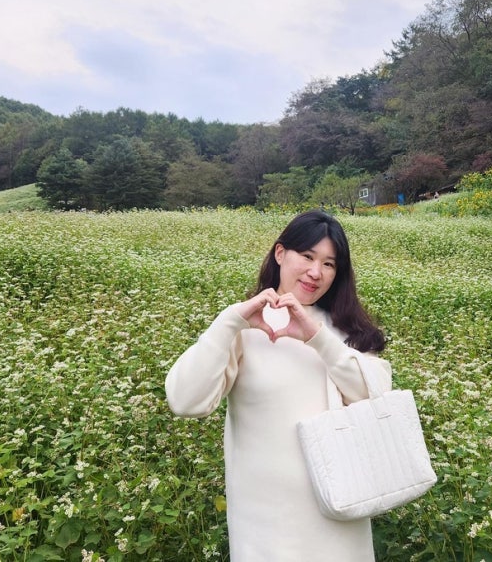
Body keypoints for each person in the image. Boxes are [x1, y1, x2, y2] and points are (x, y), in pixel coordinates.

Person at [165, 210, 391, 562]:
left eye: (329, 264)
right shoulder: (244, 327)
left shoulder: (349, 331)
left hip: (339, 511)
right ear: (280, 253)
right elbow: (184, 400)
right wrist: (229, 322)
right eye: (308, 256)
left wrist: (318, 338)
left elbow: (375, 397)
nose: (316, 272)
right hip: (265, 523)